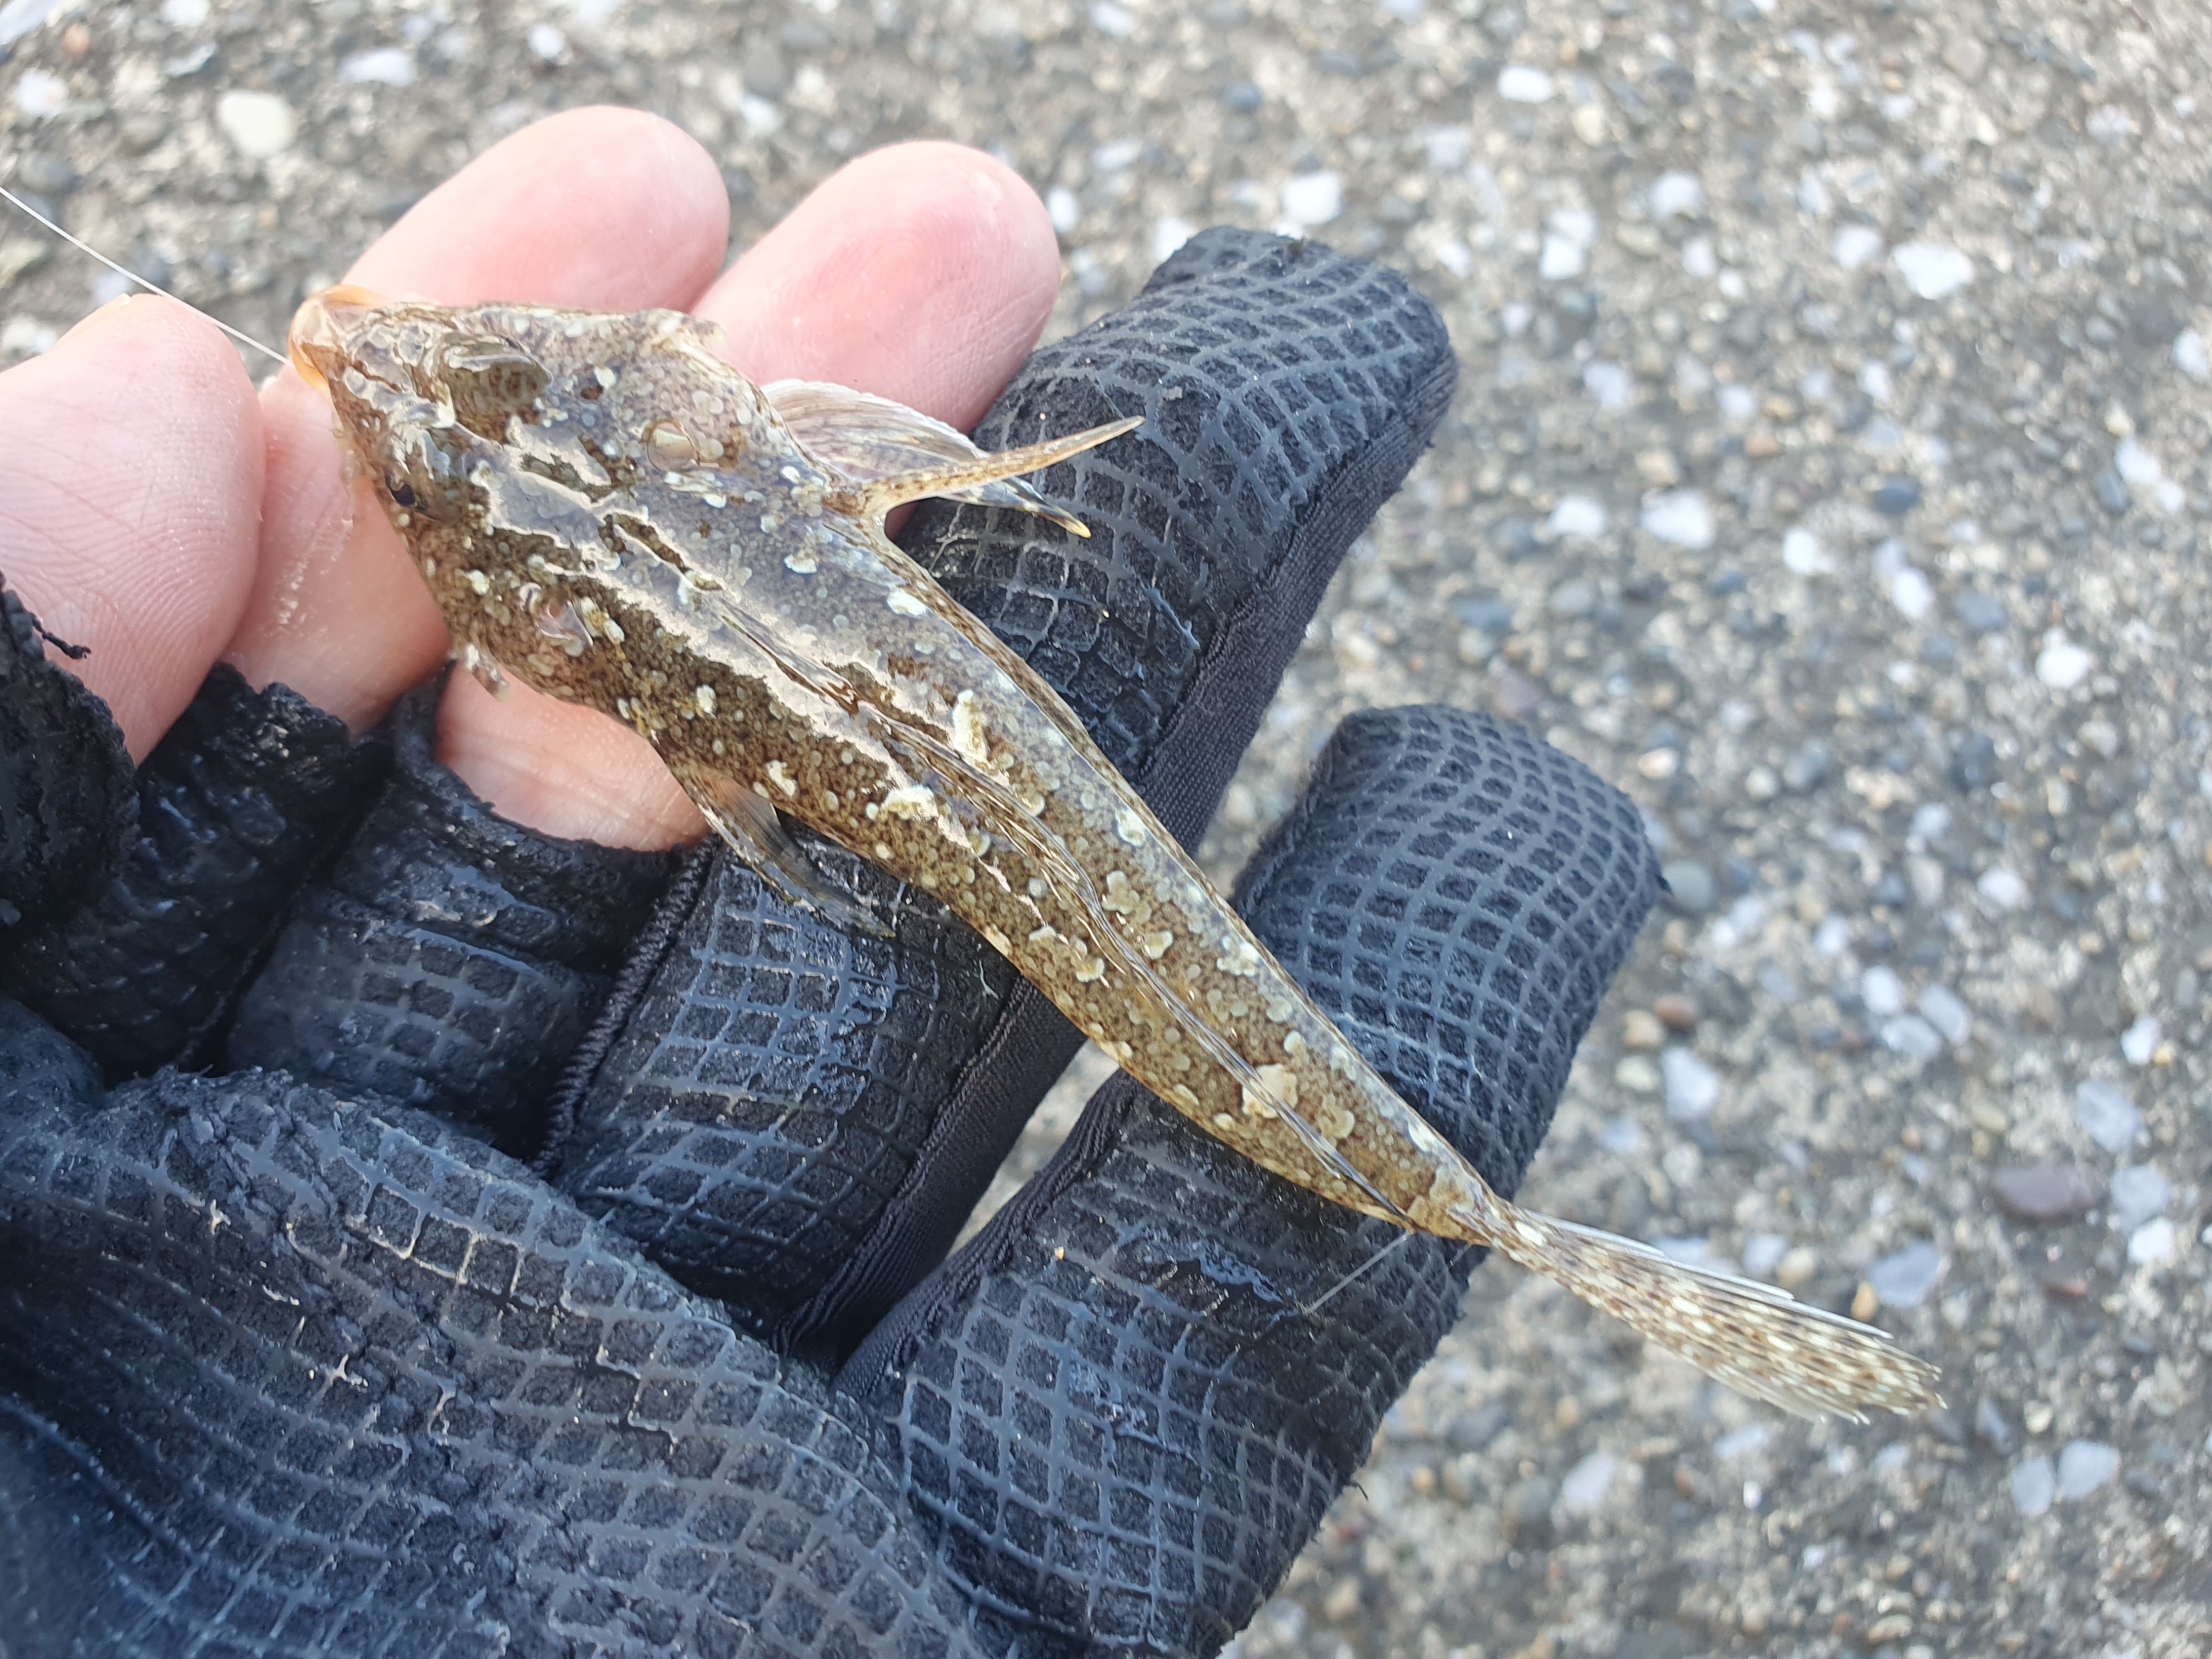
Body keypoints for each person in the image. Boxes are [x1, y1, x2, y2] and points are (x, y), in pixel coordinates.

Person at [0, 109, 1657, 1655]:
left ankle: (1513, 1227)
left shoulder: (623, 600)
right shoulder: (753, 464)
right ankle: (1519, 1232)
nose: (373, 354)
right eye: (435, 479)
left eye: (493, 379)